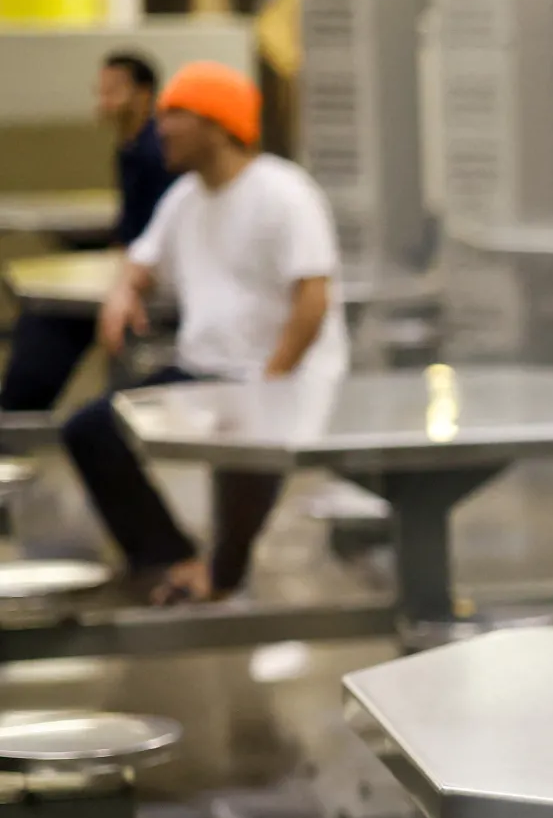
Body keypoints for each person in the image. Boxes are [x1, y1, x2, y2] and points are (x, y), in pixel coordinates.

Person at [83, 60, 347, 604]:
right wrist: (122, 293)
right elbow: (142, 259)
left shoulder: (283, 193)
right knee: (92, 429)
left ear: (216, 123)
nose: (160, 129)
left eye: (174, 115)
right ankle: (169, 558)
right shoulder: (185, 198)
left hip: (273, 375)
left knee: (242, 462)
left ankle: (220, 577)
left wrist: (271, 382)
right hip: (204, 371)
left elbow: (312, 300)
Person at [0, 51, 178, 414]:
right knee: (44, 315)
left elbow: (152, 237)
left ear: (144, 94)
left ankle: (15, 419)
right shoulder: (130, 148)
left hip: (156, 282)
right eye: (100, 91)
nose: (103, 101)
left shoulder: (156, 153)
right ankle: (15, 417)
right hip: (133, 270)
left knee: (49, 320)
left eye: (113, 91)